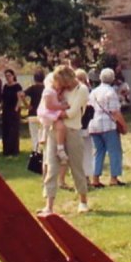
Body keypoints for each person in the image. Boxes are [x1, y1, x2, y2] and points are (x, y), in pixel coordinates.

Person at [39, 65, 90, 216]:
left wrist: (50, 113)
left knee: (76, 167)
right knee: (52, 167)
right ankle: (49, 205)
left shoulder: (81, 90)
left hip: (73, 131)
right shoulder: (58, 87)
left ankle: (83, 201)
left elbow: (72, 112)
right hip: (55, 130)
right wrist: (52, 112)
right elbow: (47, 96)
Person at [88, 68, 128, 188]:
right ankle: (114, 178)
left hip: (93, 125)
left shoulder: (93, 92)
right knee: (114, 151)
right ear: (112, 79)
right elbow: (115, 112)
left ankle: (95, 178)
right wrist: (124, 126)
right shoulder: (111, 92)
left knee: (98, 151)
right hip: (108, 125)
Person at [37, 68, 75, 163]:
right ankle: (60, 148)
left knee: (58, 126)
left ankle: (58, 146)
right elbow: (49, 106)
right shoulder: (49, 91)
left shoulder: (55, 91)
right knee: (61, 127)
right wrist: (62, 106)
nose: (60, 88)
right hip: (49, 112)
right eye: (59, 85)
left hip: (52, 112)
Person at [74, 69, 95, 186]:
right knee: (87, 152)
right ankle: (85, 177)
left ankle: (80, 177)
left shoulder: (72, 91)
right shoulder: (87, 90)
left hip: (76, 124)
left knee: (78, 153)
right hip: (86, 124)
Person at [0, 69, 23, 155]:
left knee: (13, 131)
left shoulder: (17, 86)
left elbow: (20, 98)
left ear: (13, 76)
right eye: (6, 76)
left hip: (14, 110)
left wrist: (16, 109)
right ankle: (6, 150)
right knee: (5, 130)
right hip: (6, 110)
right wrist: (1, 109)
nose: (7, 78)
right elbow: (2, 99)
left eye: (9, 75)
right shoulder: (5, 86)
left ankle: (14, 150)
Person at [23, 71, 45, 150]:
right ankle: (43, 149)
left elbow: (21, 94)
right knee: (43, 133)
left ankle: (36, 150)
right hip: (43, 114)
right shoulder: (46, 88)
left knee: (34, 134)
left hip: (33, 113)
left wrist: (27, 105)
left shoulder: (32, 88)